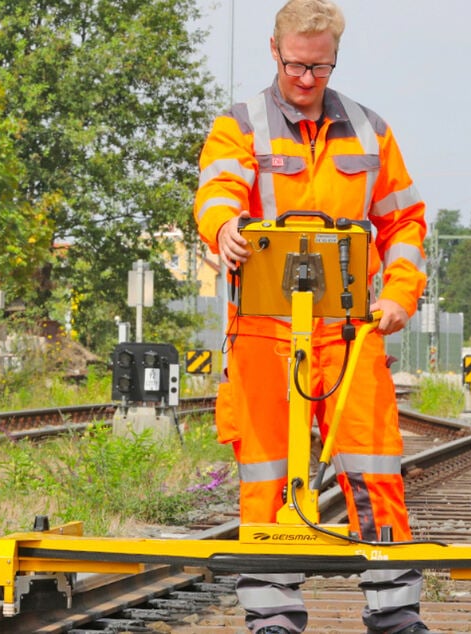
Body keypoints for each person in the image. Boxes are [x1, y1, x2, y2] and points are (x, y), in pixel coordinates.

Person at [193, 1, 429, 633]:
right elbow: (216, 189)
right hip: (265, 333)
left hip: (352, 333)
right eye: (296, 64)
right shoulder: (238, 125)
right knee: (267, 471)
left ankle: (395, 614)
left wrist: (400, 293)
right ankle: (272, 618)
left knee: (374, 463)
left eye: (319, 67)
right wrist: (225, 228)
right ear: (275, 52)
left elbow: (403, 222)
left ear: (334, 59)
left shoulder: (369, 129)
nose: (306, 79)